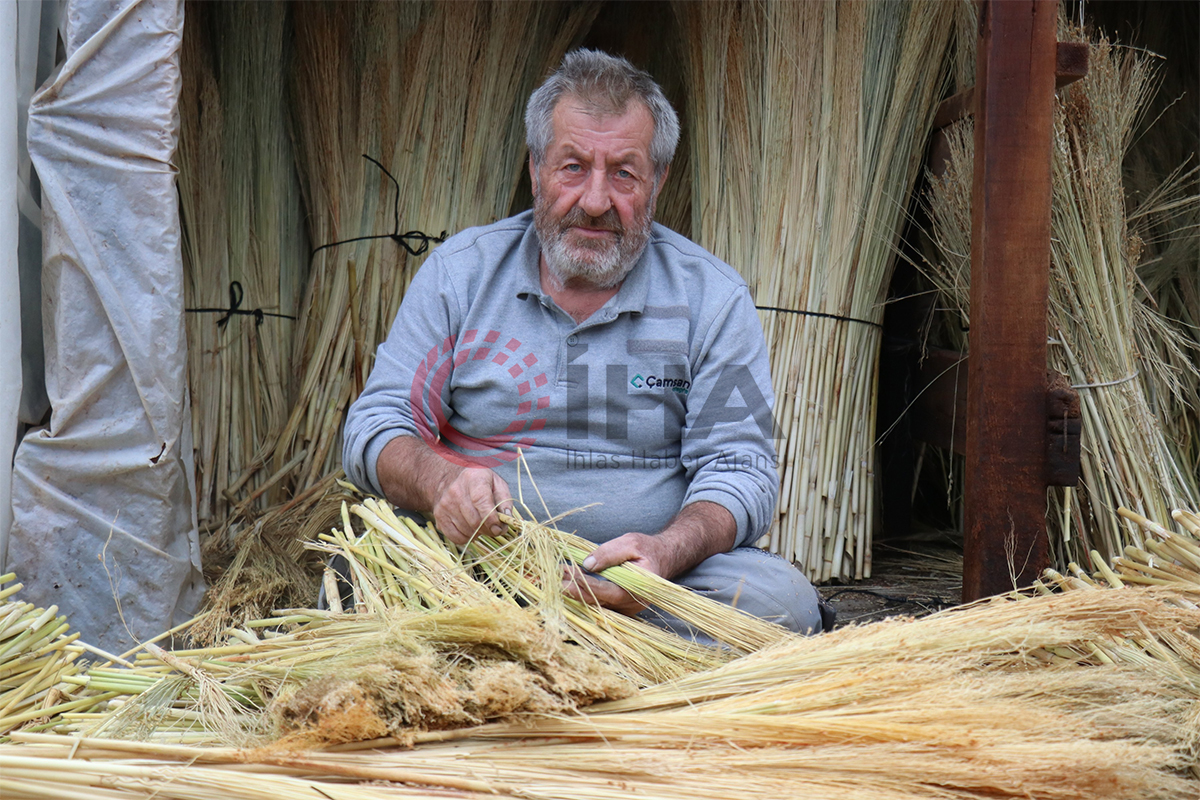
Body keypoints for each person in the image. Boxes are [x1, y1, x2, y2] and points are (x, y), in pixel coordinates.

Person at [342, 49, 830, 636]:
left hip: (650, 587)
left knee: (783, 605)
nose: (596, 202)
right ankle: (571, 657)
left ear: (659, 181)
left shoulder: (712, 297)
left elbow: (740, 468)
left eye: (624, 173)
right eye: (573, 167)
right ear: (535, 168)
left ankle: (530, 655)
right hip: (473, 567)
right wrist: (442, 483)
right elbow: (376, 425)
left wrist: (664, 553)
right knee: (360, 580)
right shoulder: (460, 275)